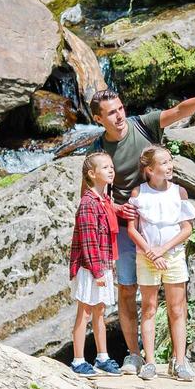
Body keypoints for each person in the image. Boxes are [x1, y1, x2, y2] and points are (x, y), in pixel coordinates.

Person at [89, 84, 195, 375]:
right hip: (127, 226)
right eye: (111, 113)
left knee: (173, 296)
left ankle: (178, 360)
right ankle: (135, 355)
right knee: (128, 290)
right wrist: (116, 210)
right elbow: (91, 195)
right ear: (98, 120)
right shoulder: (98, 150)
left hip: (163, 224)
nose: (119, 116)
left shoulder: (143, 125)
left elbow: (179, 111)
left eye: (120, 109)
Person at [128, 146, 195, 380]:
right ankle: (150, 362)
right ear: (150, 169)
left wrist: (162, 251)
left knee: (177, 308)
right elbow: (132, 229)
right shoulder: (139, 193)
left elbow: (187, 228)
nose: (170, 166)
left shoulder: (179, 192)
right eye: (164, 163)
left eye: (170, 161)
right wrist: (151, 253)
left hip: (173, 256)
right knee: (148, 308)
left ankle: (180, 362)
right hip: (146, 257)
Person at [68, 152, 123, 376]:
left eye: (111, 166)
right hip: (90, 267)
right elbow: (88, 240)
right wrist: (97, 271)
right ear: (92, 174)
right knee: (85, 310)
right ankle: (78, 360)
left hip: (103, 264)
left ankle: (102, 357)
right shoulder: (88, 203)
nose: (111, 170)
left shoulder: (105, 200)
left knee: (100, 310)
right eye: (105, 167)